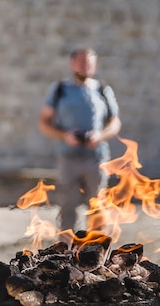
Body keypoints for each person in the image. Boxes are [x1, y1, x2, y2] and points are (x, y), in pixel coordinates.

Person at [39, 47, 122, 232]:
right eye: (81, 62)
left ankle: (98, 251)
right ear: (72, 63)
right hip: (68, 158)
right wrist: (64, 136)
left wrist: (100, 135)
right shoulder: (59, 90)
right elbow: (44, 122)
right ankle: (67, 253)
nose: (85, 66)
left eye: (89, 63)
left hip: (96, 159)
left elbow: (115, 123)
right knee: (67, 208)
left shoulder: (102, 90)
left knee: (98, 206)